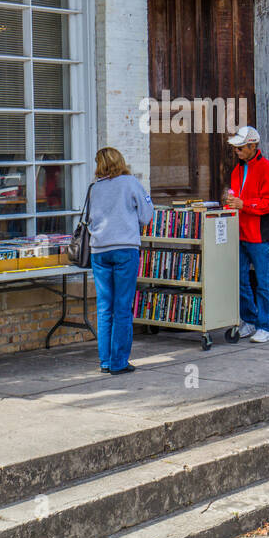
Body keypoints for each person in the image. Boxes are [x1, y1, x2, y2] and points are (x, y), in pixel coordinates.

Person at [87, 147, 154, 374]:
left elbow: (89, 218)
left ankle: (105, 361)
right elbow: (146, 216)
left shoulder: (94, 188)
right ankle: (119, 362)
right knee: (123, 307)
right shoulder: (130, 182)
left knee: (104, 307)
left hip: (99, 251)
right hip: (125, 249)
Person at [223, 125, 269, 344]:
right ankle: (249, 320)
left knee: (265, 282)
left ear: (252, 146)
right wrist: (231, 204)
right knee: (239, 280)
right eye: (236, 147)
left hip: (261, 236)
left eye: (240, 147)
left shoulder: (266, 168)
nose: (236, 151)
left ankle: (265, 326)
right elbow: (237, 199)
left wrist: (243, 204)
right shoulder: (237, 170)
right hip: (241, 233)